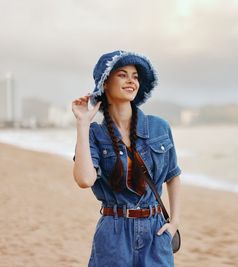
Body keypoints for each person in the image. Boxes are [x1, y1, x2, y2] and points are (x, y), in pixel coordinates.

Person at [71, 50, 181, 266]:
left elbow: (173, 176)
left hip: (155, 231)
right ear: (105, 84)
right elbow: (84, 180)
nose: (131, 80)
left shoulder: (159, 127)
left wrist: (174, 222)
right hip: (113, 233)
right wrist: (82, 124)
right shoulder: (94, 134)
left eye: (135, 76)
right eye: (122, 74)